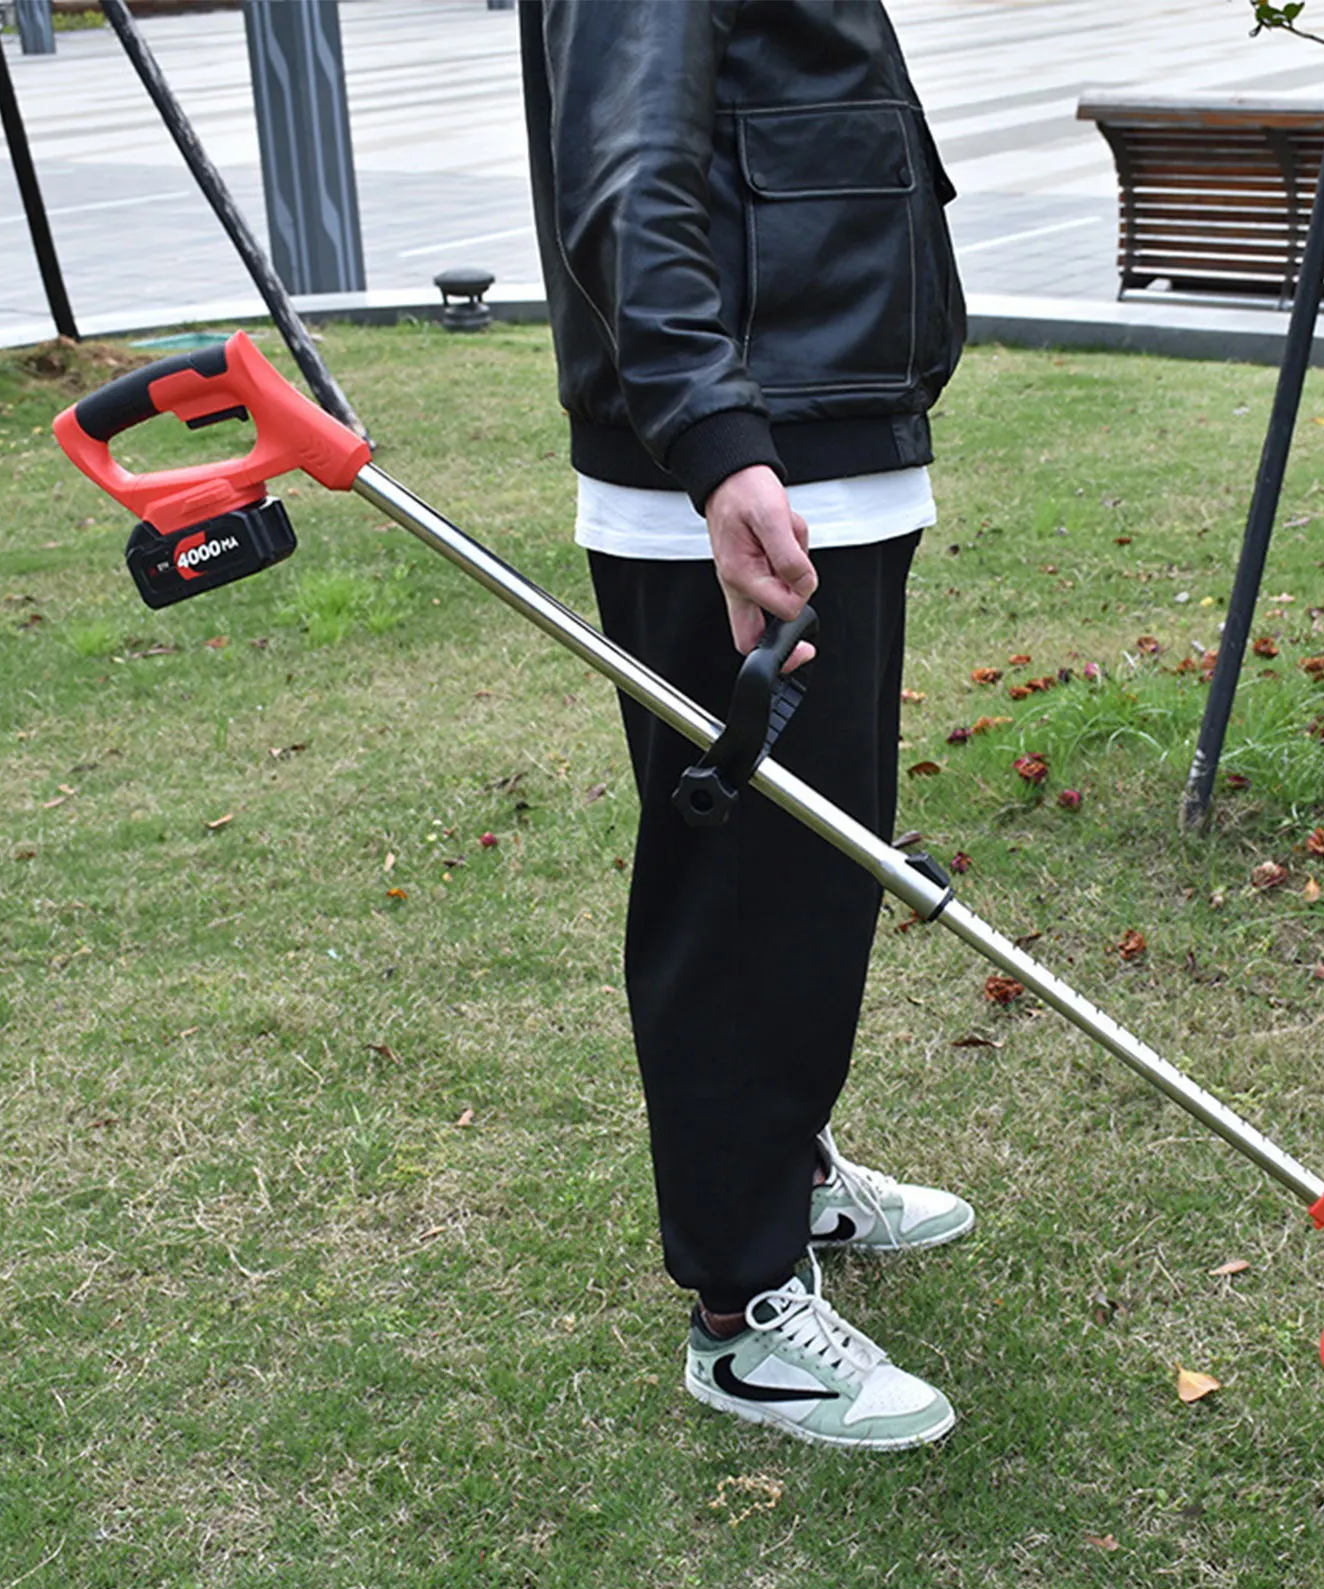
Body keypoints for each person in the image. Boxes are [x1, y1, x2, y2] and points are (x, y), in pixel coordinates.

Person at [520, 0, 971, 1450]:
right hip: (743, 471)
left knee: (811, 875)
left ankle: (779, 1171)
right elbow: (627, 173)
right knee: (746, 891)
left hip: (822, 433)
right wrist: (718, 439)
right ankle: (741, 1304)